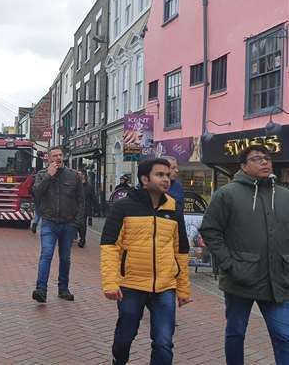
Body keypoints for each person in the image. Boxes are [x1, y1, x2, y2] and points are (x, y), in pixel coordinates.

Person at [200, 145, 289, 365]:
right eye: (257, 159)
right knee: (236, 332)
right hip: (240, 279)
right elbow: (210, 231)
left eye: (267, 158)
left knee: (284, 336)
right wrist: (229, 264)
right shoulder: (227, 194)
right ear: (243, 166)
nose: (265, 162)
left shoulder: (285, 195)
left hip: (277, 280)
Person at [100, 158, 192, 365]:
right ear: (144, 179)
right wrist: (110, 283)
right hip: (131, 284)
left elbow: (181, 249)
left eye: (168, 175)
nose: (166, 179)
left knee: (163, 343)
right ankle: (118, 360)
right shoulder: (123, 206)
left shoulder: (174, 208)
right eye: (160, 175)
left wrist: (183, 288)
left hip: (165, 286)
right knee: (125, 337)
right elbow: (109, 247)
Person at [31, 146, 84, 303]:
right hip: (49, 221)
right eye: (54, 156)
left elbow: (81, 201)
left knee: (65, 258)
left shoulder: (73, 176)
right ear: (48, 159)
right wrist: (49, 176)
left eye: (60, 155)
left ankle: (63, 288)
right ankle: (41, 289)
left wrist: (77, 223)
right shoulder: (41, 175)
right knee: (46, 254)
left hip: (68, 223)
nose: (58, 158)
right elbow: (36, 194)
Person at [77, 170, 97, 248]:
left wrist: (96, 208)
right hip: (76, 207)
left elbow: (93, 197)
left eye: (80, 174)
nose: (79, 175)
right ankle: (77, 235)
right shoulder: (76, 185)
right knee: (77, 223)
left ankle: (82, 239)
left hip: (85, 208)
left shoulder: (89, 186)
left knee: (82, 224)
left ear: (84, 175)